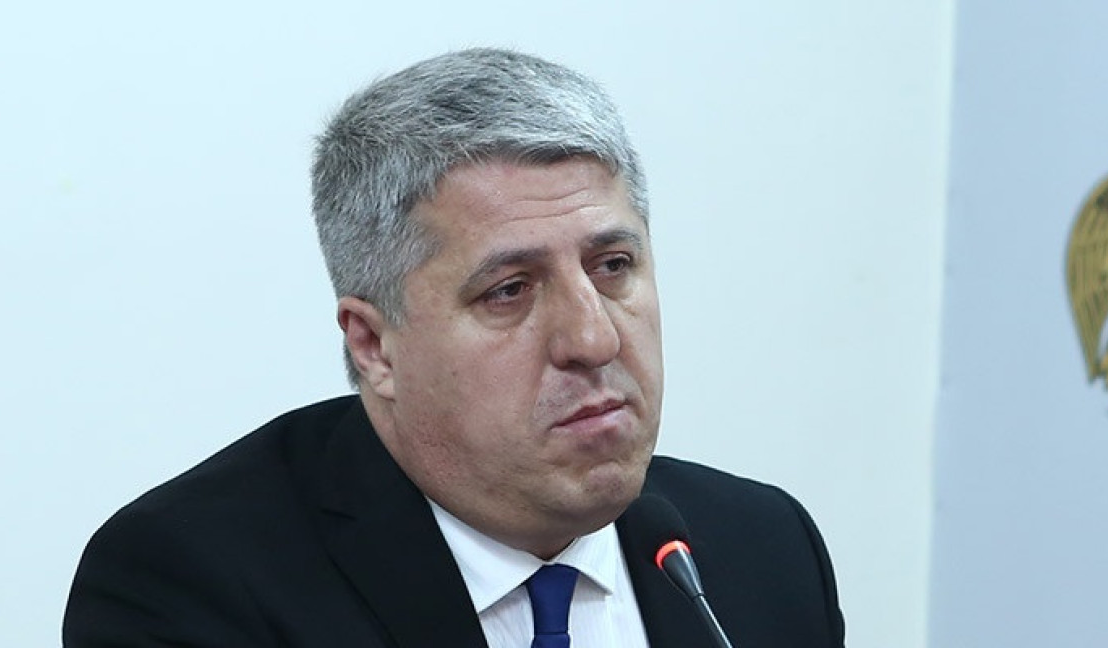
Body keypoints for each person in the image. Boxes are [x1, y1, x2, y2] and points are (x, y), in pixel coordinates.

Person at [63, 47, 845, 647]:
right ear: (374, 346)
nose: (593, 337)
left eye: (612, 267)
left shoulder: (761, 549)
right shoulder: (194, 584)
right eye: (509, 290)